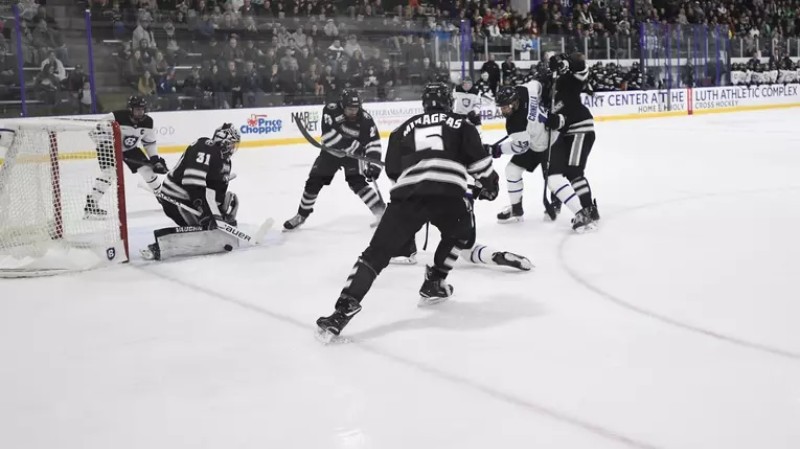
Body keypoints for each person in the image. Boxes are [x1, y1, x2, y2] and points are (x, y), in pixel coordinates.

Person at [315, 83, 500, 340]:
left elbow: (394, 172)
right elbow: (479, 164)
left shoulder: (401, 129)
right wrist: (490, 185)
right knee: (461, 233)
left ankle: (342, 311)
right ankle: (435, 281)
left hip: (408, 196)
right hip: (448, 194)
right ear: (449, 102)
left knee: (375, 254)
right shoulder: (462, 124)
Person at [283, 88, 385, 230]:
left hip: (353, 156)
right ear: (342, 105)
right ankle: (301, 215)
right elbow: (328, 136)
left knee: (357, 183)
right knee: (313, 182)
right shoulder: (331, 110)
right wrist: (352, 146)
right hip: (331, 153)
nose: (353, 112)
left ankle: (382, 213)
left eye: (356, 109)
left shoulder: (366, 120)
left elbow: (373, 143)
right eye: (350, 109)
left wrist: (374, 166)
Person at [141, 124, 242, 260]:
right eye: (231, 144)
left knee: (229, 200)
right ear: (222, 141)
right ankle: (163, 246)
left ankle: (208, 224)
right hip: (176, 199)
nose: (233, 148)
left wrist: (219, 215)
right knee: (206, 231)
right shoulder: (205, 147)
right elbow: (193, 183)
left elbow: (214, 193)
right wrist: (205, 211)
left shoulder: (226, 163)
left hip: (193, 200)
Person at [84, 96, 167, 218]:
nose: (140, 112)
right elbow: (94, 130)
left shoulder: (148, 122)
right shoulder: (116, 117)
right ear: (130, 109)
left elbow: (149, 143)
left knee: (147, 170)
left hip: (130, 149)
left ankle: (162, 198)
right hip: (109, 148)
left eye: (142, 109)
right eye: (137, 109)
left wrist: (155, 160)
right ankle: (91, 204)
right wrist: (107, 144)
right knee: (110, 173)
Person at [542, 52, 599, 231]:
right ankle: (557, 202)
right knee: (555, 169)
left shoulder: (568, 80)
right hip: (566, 133)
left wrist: (566, 62)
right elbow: (553, 117)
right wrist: (551, 121)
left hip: (580, 128)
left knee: (574, 171)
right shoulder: (548, 92)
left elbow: (581, 68)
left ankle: (588, 209)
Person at [488, 83, 556, 223]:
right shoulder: (525, 90)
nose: (503, 110)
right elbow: (538, 85)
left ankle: (558, 205)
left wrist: (499, 150)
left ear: (514, 102)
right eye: (501, 107)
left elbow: (520, 148)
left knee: (554, 178)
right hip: (534, 143)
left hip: (552, 141)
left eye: (505, 106)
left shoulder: (516, 123)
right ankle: (516, 209)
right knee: (512, 171)